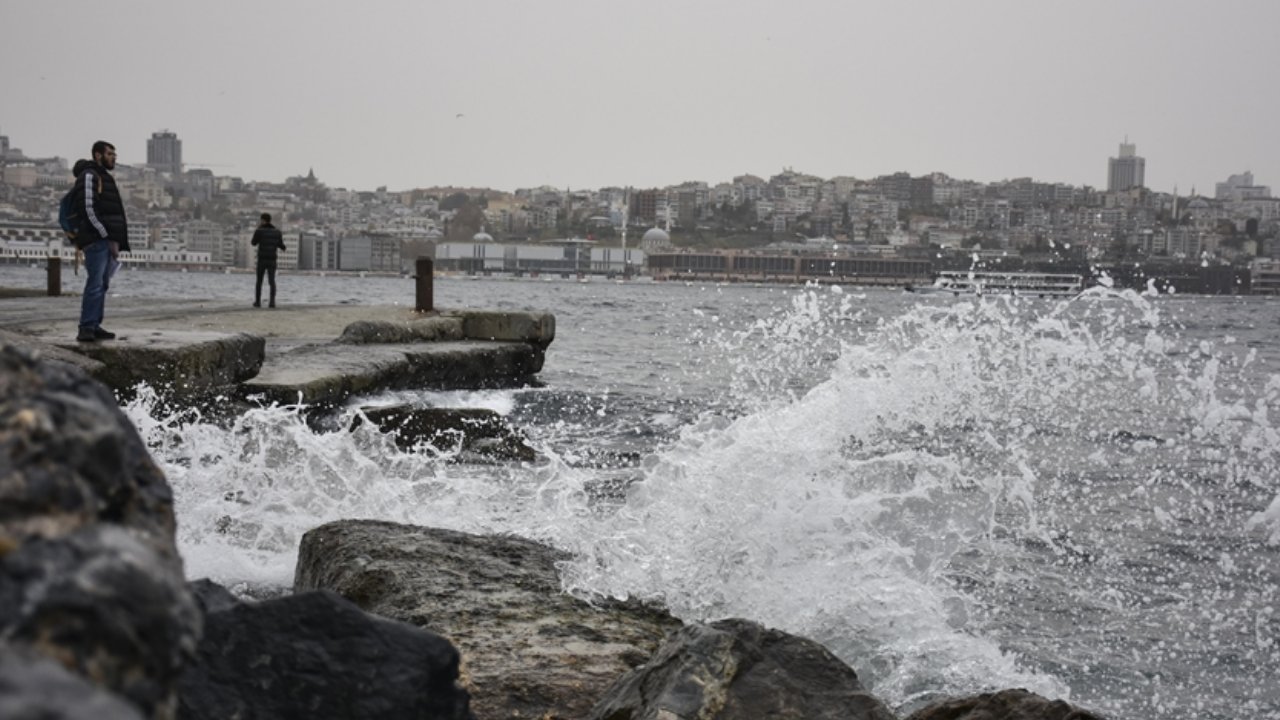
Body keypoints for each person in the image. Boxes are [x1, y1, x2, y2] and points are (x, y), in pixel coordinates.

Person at [73, 141, 130, 342]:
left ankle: (94, 324)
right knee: (95, 284)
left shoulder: (103, 177)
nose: (113, 157)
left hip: (105, 240)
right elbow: (88, 208)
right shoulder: (90, 176)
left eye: (114, 154)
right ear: (98, 155)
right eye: (109, 154)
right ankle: (87, 326)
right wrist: (104, 234)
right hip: (97, 240)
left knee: (102, 284)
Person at [250, 212, 285, 307]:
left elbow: (253, 243)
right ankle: (272, 302)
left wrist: (258, 230)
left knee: (259, 281)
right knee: (272, 281)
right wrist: (282, 247)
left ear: (263, 220)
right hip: (272, 259)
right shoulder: (277, 232)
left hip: (262, 259)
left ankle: (257, 302)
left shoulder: (259, 231)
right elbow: (281, 245)